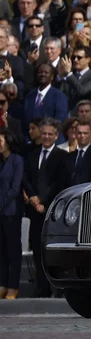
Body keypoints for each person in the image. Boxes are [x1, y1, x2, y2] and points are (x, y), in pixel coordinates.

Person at [23, 117, 68, 297]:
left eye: (50, 134)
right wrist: (33, 199)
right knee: (36, 250)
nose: (47, 137)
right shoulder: (32, 154)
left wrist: (43, 200)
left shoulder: (62, 156)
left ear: (56, 136)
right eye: (44, 133)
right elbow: (25, 178)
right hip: (34, 211)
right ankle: (41, 288)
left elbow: (60, 182)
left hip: (51, 210)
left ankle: (55, 289)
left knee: (51, 250)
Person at [0, 127, 23, 300]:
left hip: (11, 211)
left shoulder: (17, 160)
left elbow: (15, 188)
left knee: (13, 250)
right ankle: (3, 284)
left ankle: (13, 286)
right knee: (1, 250)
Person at [66, 120, 91, 186]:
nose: (82, 136)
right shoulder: (69, 156)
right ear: (75, 134)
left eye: (85, 133)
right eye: (79, 133)